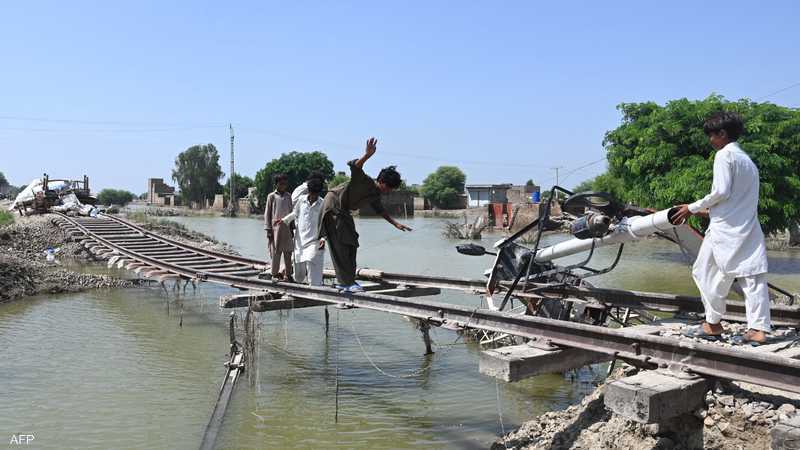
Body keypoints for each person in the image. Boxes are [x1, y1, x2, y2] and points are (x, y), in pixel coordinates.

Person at [673, 111, 771, 344]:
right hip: (747, 228)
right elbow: (736, 201)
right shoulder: (748, 162)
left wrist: (692, 208)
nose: (710, 140)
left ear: (722, 134)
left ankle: (713, 323)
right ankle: (758, 329)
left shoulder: (724, 156)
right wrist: (706, 210)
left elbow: (721, 192)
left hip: (725, 231)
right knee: (752, 278)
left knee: (704, 272)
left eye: (712, 135)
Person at [319, 137, 412, 292]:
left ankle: (349, 281)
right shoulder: (364, 181)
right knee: (340, 244)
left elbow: (380, 210)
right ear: (381, 181)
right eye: (389, 188)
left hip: (343, 211)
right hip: (333, 206)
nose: (389, 191)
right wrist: (367, 155)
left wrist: (396, 223)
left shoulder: (375, 195)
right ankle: (345, 283)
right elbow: (356, 166)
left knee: (352, 241)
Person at [274, 177, 326, 286]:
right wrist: (284, 220)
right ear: (309, 191)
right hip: (300, 241)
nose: (314, 197)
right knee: (299, 274)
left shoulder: (322, 204)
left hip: (314, 240)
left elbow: (326, 223)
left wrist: (323, 238)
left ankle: (315, 288)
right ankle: (299, 284)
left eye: (316, 194)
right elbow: (295, 213)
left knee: (313, 260)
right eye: (312, 194)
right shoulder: (302, 200)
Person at [264, 173, 294, 281]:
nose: (283, 186)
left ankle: (288, 274)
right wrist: (268, 230)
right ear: (276, 184)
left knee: (288, 252)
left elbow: (292, 213)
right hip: (275, 229)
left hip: (287, 228)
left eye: (285, 184)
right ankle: (275, 274)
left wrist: (292, 228)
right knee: (276, 253)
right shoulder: (271, 196)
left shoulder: (289, 196)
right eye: (281, 184)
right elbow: (267, 214)